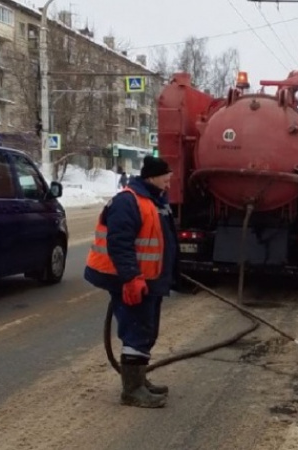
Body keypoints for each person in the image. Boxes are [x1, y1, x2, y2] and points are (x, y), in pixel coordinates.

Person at [84, 155, 180, 408]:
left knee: (146, 330)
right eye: (166, 180)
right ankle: (132, 390)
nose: (169, 185)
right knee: (137, 330)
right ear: (151, 177)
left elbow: (163, 239)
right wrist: (131, 277)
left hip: (150, 277)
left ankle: (139, 380)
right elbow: (120, 243)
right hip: (131, 279)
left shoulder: (155, 200)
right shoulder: (128, 202)